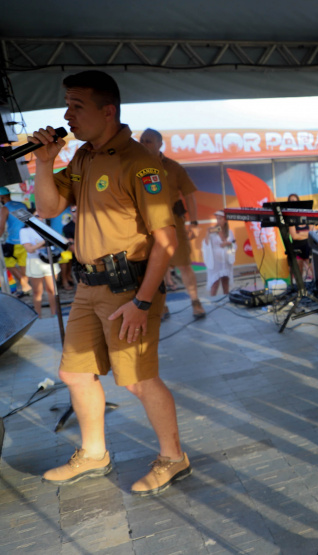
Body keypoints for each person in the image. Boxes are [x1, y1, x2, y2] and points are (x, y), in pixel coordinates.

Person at [30, 70, 190, 496]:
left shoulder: (139, 163)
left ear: (108, 111)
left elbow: (166, 240)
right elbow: (47, 208)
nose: (67, 115)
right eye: (67, 105)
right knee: (74, 372)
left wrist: (140, 303)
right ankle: (94, 452)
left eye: (76, 106)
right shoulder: (82, 157)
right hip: (88, 285)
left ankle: (173, 458)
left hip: (127, 288)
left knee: (138, 379)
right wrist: (45, 163)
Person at [139, 128, 206, 320]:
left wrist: (194, 222)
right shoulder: (133, 167)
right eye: (142, 140)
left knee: (184, 265)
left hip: (173, 224)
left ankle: (195, 302)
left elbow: (190, 195)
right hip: (147, 226)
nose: (144, 144)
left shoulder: (174, 167)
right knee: (154, 268)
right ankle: (162, 306)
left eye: (149, 141)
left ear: (160, 144)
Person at [19, 221, 60, 318]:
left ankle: (54, 314)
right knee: (37, 291)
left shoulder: (48, 228)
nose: (39, 218)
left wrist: (39, 244)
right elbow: (29, 249)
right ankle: (38, 315)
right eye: (36, 216)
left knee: (52, 290)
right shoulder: (24, 230)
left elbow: (57, 243)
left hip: (50, 260)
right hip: (34, 263)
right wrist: (44, 241)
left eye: (41, 215)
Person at [0, 186, 32, 296]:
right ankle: (25, 288)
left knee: (9, 265)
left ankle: (25, 286)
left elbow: (1, 227)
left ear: (2, 197)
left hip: (12, 241)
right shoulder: (22, 205)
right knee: (24, 267)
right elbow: (29, 222)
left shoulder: (5, 208)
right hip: (25, 241)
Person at [202, 210, 236, 296]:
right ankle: (213, 303)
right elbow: (206, 245)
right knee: (215, 283)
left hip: (226, 261)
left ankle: (226, 300)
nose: (218, 221)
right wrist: (207, 233)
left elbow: (234, 245)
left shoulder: (230, 232)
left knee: (225, 282)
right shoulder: (213, 232)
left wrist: (228, 244)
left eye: (220, 219)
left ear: (225, 220)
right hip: (215, 263)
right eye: (217, 219)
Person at [286, 193, 313, 282]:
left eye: (295, 200)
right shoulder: (290, 218)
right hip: (297, 248)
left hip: (308, 246)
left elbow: (313, 232)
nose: (293, 202)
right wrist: (306, 233)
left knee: (313, 271)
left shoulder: (306, 215)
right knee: (299, 274)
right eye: (291, 201)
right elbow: (294, 236)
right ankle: (299, 291)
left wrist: (300, 233)